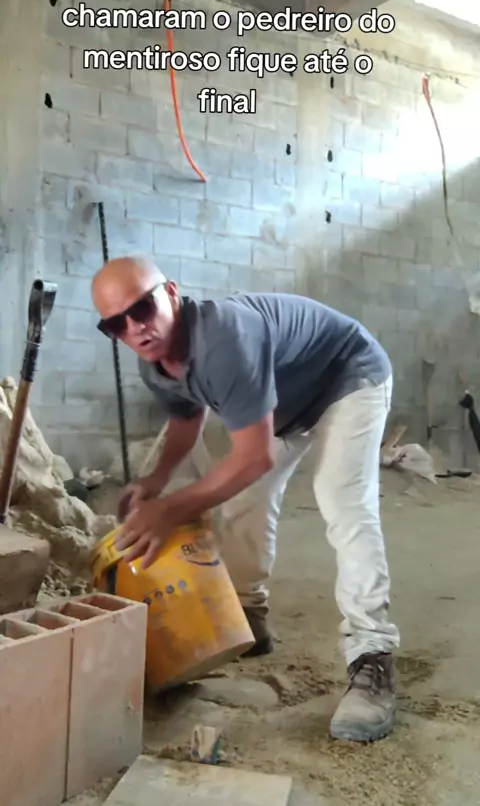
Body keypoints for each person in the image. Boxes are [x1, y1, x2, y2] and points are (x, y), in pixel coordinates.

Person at [91, 254, 400, 743]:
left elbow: (254, 457)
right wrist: (156, 480)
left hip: (347, 375)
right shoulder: (156, 363)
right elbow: (186, 417)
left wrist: (171, 508)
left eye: (142, 308)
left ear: (171, 293)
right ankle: (249, 616)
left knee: (341, 499)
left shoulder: (224, 338)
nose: (135, 329)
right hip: (287, 405)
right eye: (116, 324)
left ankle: (372, 655)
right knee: (241, 502)